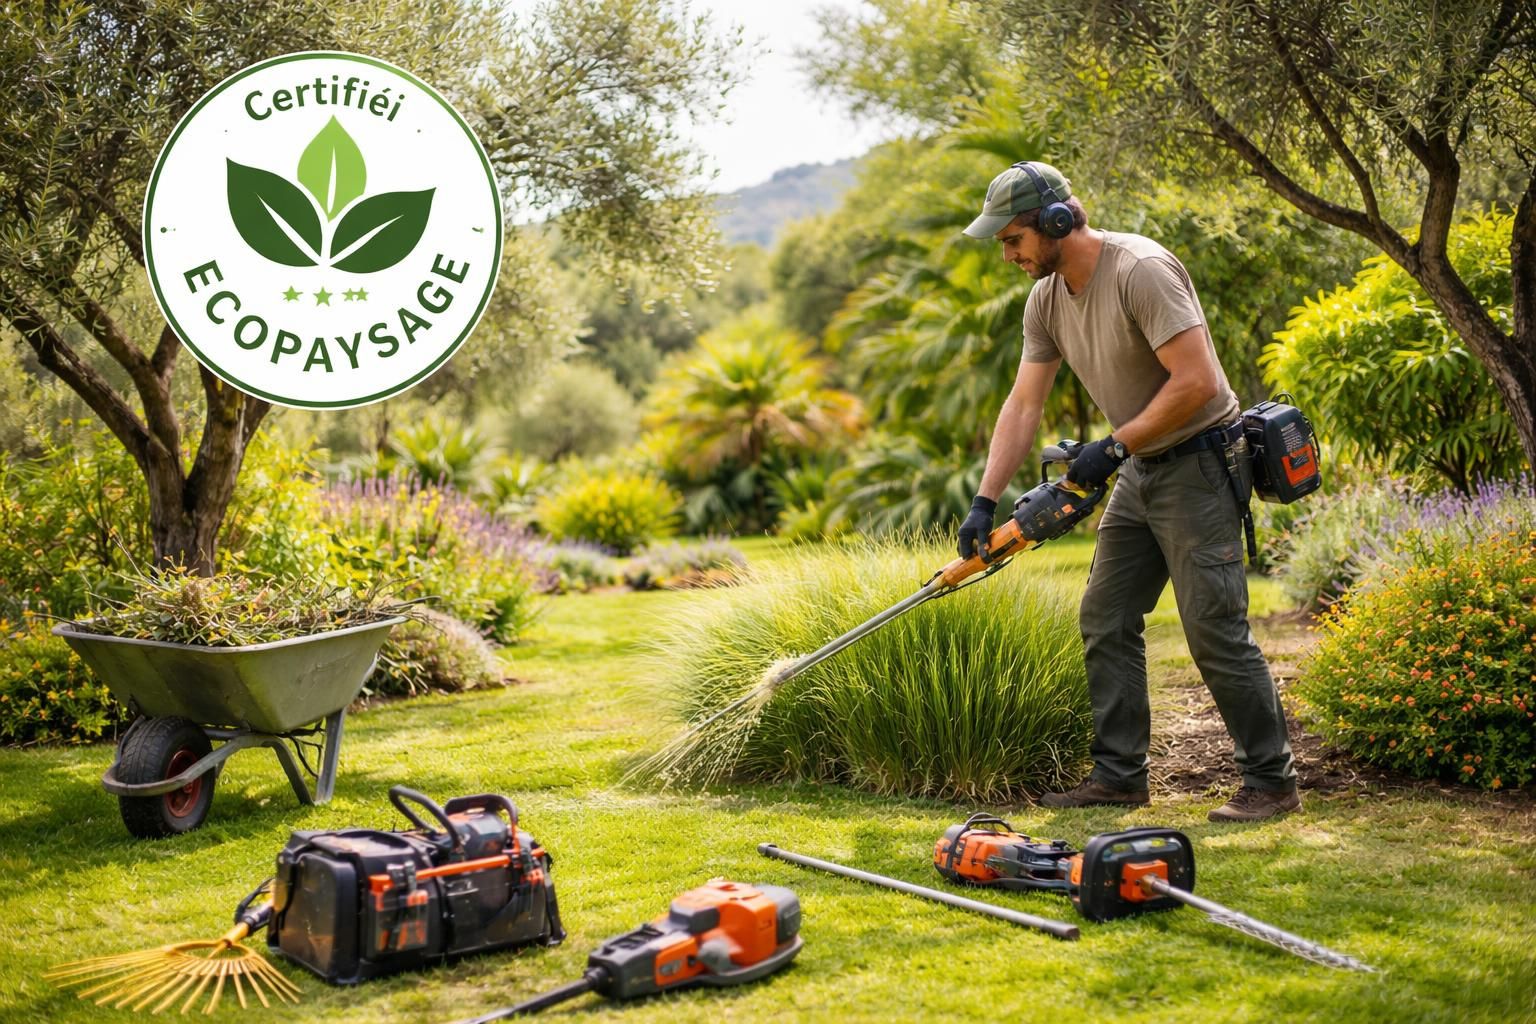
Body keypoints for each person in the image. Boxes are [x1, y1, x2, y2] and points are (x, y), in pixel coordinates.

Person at [956, 161, 1300, 822]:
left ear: (1055, 222)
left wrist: (1112, 446)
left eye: (1012, 239)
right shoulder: (1047, 299)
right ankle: (1119, 776)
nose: (1007, 255)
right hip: (1141, 469)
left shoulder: (1141, 270)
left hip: (1201, 462)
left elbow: (1197, 381)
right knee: (1105, 617)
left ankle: (1272, 782)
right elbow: (1024, 404)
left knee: (1213, 629)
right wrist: (984, 501)